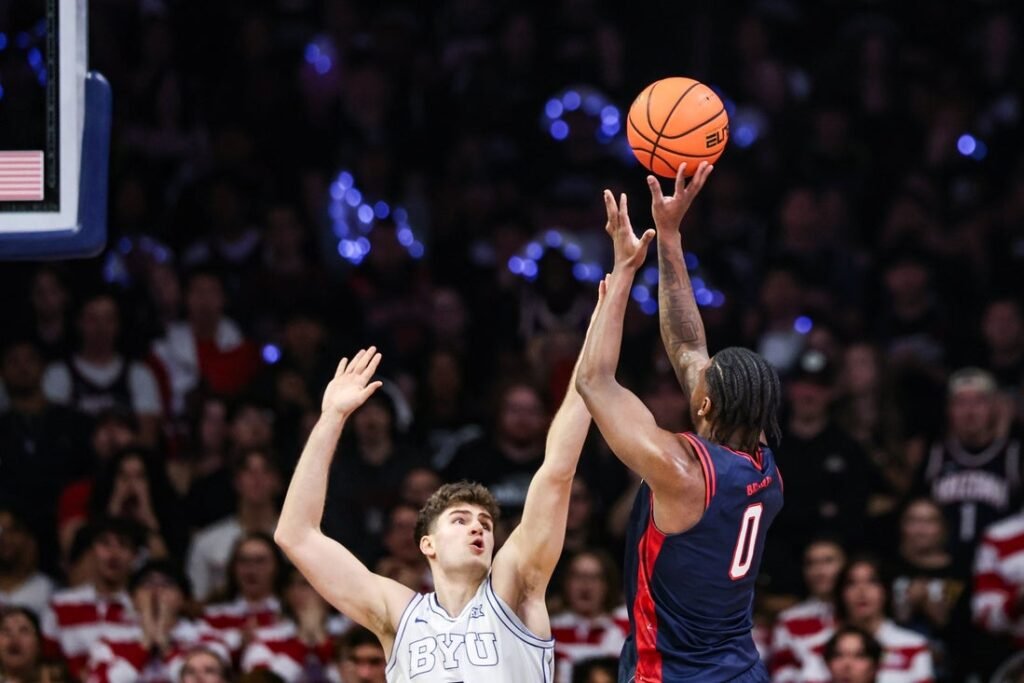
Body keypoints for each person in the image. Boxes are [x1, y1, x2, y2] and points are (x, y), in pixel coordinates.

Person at [275, 331, 595, 681]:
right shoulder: (399, 613)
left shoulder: (514, 592)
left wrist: (596, 342)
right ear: (428, 544)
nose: (477, 527)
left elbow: (557, 471)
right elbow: (296, 535)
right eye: (460, 520)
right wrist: (331, 418)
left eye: (486, 524)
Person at [574, 163, 783, 682]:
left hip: (673, 673)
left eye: (702, 381)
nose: (694, 369)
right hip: (741, 669)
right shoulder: (763, 461)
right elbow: (688, 344)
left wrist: (624, 270)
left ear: (705, 406)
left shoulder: (682, 471)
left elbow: (594, 382)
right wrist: (669, 234)